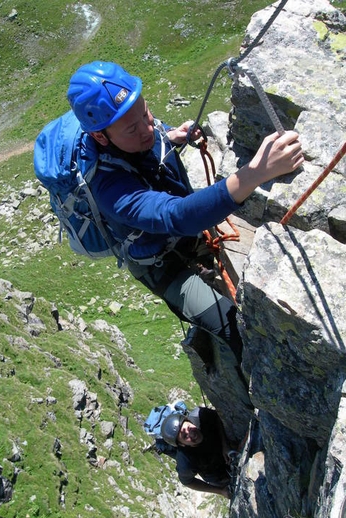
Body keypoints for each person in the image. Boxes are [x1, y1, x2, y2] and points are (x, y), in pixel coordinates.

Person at [65, 61, 304, 364]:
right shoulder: (109, 187)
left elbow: (148, 130)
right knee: (233, 326)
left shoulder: (135, 130)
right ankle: (252, 405)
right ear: (101, 138)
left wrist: (172, 135)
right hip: (162, 266)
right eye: (133, 127)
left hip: (185, 238)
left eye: (146, 112)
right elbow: (176, 216)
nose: (148, 128)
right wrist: (256, 172)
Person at [161, 406, 235, 498]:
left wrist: (225, 445)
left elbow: (216, 417)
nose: (191, 434)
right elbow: (188, 481)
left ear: (189, 420)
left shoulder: (201, 416)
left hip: (224, 451)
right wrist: (221, 491)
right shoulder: (185, 460)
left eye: (188, 427)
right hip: (218, 474)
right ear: (182, 444)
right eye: (185, 436)